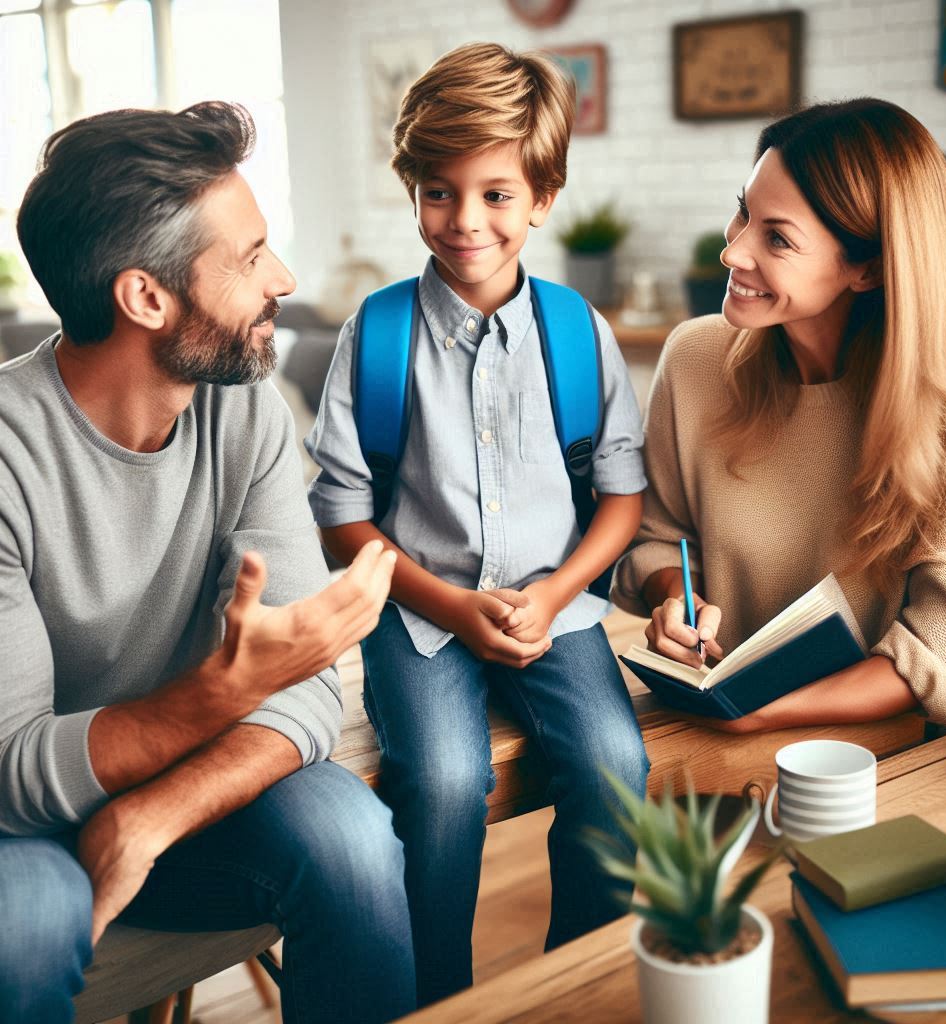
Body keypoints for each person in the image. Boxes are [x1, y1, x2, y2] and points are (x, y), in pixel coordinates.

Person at [0, 102, 416, 1024]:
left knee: (351, 841)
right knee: (23, 925)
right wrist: (221, 693)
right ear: (146, 297)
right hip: (18, 829)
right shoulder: (6, 457)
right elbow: (12, 770)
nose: (285, 277)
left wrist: (153, 815)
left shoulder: (245, 411)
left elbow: (304, 692)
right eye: (250, 255)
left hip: (179, 787)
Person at [305, 42, 650, 1007]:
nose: (465, 221)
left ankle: (575, 983)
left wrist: (555, 593)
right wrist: (453, 608)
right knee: (449, 788)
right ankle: (436, 1000)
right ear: (412, 190)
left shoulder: (579, 333)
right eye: (439, 192)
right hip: (420, 613)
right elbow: (342, 516)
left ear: (542, 197)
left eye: (497, 194)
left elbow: (620, 500)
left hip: (557, 608)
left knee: (619, 767)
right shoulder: (375, 335)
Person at [612, 98, 946, 732]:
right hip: (711, 729)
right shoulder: (694, 358)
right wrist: (675, 599)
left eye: (776, 238)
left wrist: (760, 711)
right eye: (743, 213)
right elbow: (658, 537)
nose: (733, 252)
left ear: (867, 268)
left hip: (886, 753)